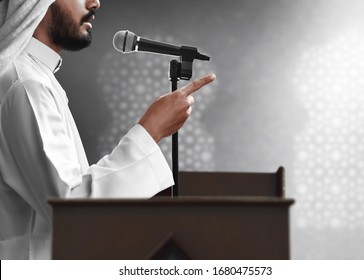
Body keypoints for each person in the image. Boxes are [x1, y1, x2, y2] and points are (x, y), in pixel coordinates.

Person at [0, 0, 216, 259]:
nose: (95, 2)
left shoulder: (35, 77)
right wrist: (149, 132)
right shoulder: (25, 85)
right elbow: (69, 209)